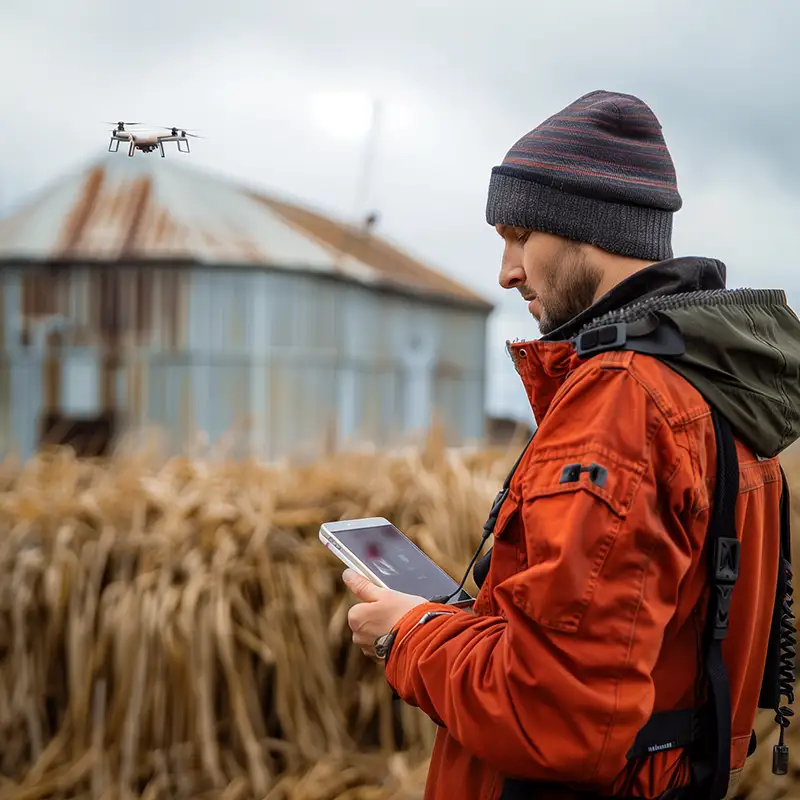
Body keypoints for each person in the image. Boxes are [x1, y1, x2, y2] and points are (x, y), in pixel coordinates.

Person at [343, 89, 800, 799]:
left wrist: (405, 634)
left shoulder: (622, 403)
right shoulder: (717, 386)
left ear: (586, 228)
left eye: (520, 236)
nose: (507, 271)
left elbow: (551, 715)